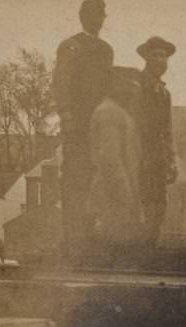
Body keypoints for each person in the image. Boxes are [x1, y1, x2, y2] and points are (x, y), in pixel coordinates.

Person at [53, 0, 115, 261]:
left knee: (95, 182)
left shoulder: (105, 50)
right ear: (81, 16)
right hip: (76, 126)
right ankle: (72, 244)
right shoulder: (71, 46)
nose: (97, 19)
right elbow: (61, 82)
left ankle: (89, 244)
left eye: (100, 14)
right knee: (73, 182)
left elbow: (108, 87)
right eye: (91, 14)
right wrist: (66, 116)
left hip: (97, 127)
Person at [87, 67, 143, 259]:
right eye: (129, 85)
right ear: (114, 86)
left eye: (135, 86)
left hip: (118, 190)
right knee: (112, 248)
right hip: (112, 192)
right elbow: (110, 159)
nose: (134, 90)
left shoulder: (118, 111)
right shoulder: (109, 112)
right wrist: (125, 193)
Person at [136, 36, 176, 250]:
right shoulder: (136, 87)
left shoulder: (165, 92)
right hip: (138, 154)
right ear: (146, 58)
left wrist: (171, 160)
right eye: (156, 55)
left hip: (157, 157)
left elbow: (167, 129)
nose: (161, 60)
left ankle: (150, 249)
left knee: (159, 204)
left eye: (164, 56)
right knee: (140, 203)